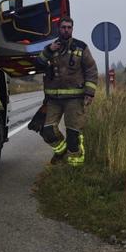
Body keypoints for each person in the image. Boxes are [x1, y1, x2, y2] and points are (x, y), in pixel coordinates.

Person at [37, 15, 97, 167]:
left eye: (69, 27)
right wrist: (48, 51)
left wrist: (89, 93)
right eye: (63, 27)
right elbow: (38, 63)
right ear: (59, 28)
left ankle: (75, 166)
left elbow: (91, 69)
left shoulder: (81, 47)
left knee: (73, 135)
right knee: (48, 131)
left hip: (75, 99)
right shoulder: (50, 48)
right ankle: (61, 153)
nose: (66, 30)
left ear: (72, 29)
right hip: (53, 99)